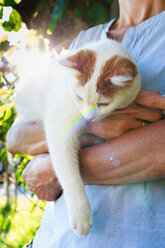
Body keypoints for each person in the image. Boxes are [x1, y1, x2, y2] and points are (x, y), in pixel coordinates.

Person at [7, 0, 165, 247]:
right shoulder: (84, 41)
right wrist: (90, 128)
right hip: (54, 239)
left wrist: (56, 169)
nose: (88, 113)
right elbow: (16, 137)